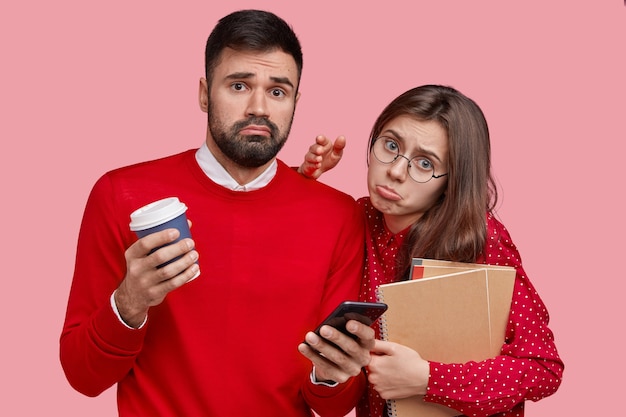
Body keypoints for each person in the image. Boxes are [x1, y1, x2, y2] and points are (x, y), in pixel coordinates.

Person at [60, 9, 374, 417]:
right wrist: (130, 302)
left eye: (278, 91)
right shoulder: (120, 195)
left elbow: (334, 405)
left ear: (296, 102)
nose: (259, 107)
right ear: (205, 94)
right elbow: (83, 377)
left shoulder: (337, 215)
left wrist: (333, 374)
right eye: (239, 85)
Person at [298, 84, 564, 417]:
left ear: (451, 182)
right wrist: (301, 180)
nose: (395, 171)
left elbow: (543, 367)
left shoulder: (482, 240)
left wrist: (427, 379)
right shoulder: (360, 219)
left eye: (425, 164)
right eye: (390, 145)